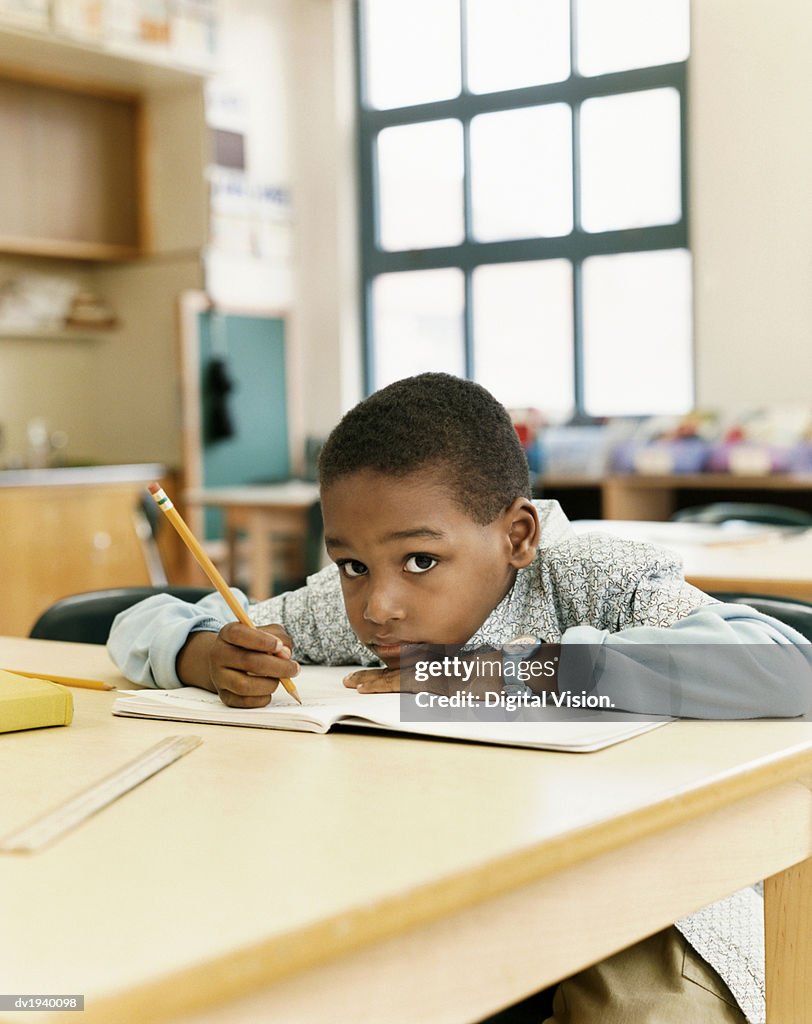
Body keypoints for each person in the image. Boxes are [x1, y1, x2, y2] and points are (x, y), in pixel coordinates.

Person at [109, 372, 810, 1024]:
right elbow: (141, 623)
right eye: (353, 564)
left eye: (421, 562)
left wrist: (499, 673)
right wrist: (203, 653)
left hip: (644, 900)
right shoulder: (346, 607)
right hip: (444, 895)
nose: (379, 605)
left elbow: (784, 668)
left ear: (518, 535)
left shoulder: (591, 579)